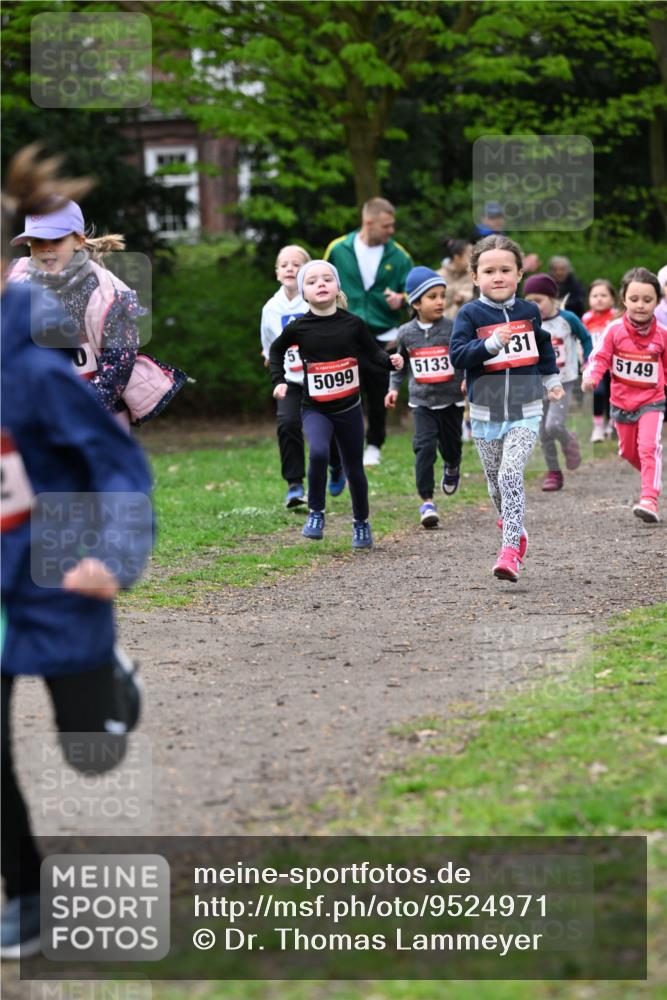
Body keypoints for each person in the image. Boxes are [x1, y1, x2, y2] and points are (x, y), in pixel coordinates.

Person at [1, 147, 154, 958]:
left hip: (55, 550)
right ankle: (26, 893)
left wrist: (115, 554)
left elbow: (119, 465)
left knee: (88, 750)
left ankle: (108, 680)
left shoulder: (32, 367)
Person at [8, 198, 188, 427]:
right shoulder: (16, 285)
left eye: (56, 239)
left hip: (98, 412)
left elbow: (119, 362)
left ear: (78, 241)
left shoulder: (105, 293)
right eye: (37, 241)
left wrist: (83, 407)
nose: (46, 248)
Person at [450, 235, 563, 582]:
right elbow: (458, 355)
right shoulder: (470, 314)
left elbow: (542, 346)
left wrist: (551, 380)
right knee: (495, 486)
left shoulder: (529, 311)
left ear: (518, 274)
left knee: (510, 474)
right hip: (485, 413)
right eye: (489, 271)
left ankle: (510, 550)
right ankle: (516, 528)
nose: (497, 277)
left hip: (525, 407)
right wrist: (490, 345)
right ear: (474, 277)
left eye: (505, 270)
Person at [269, 260, 403, 549]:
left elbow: (373, 353)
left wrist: (390, 361)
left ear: (337, 287)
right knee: (317, 453)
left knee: (355, 468)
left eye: (327, 279)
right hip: (315, 408)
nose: (321, 284)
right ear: (303, 291)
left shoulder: (353, 323)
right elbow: (276, 349)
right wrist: (279, 380)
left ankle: (361, 523)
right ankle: (316, 513)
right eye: (312, 280)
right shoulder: (298, 327)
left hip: (349, 409)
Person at [324, 198, 412, 466]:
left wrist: (401, 298)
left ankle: (374, 444)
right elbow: (319, 280)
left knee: (377, 392)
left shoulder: (399, 256)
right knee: (343, 391)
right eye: (386, 226)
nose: (391, 231)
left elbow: (414, 292)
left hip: (383, 335)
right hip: (344, 331)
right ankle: (344, 444)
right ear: (368, 222)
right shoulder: (339, 249)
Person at [260, 245, 345, 508]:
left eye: (296, 264)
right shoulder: (271, 308)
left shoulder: (318, 300)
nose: (289, 268)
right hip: (291, 380)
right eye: (283, 264)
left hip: (321, 377)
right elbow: (269, 342)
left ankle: (336, 463)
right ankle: (295, 485)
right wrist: (270, 358)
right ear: (276, 273)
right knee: (287, 424)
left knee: (326, 429)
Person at [582, 266, 667, 523]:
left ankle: (649, 497)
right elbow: (600, 356)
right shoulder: (614, 330)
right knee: (629, 452)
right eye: (634, 299)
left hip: (652, 401)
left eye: (647, 300)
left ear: (657, 301)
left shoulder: (663, 335)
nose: (640, 305)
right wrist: (592, 376)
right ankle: (652, 476)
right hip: (621, 402)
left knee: (648, 447)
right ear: (624, 299)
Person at [385, 267, 465, 529]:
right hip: (421, 402)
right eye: (433, 297)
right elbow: (399, 363)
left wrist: (467, 379)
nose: (440, 301)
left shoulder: (453, 328)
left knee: (451, 447)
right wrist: (394, 388)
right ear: (416, 303)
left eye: (442, 295)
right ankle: (427, 501)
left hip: (451, 400)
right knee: (424, 448)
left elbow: (463, 356)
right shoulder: (406, 333)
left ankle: (452, 466)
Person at [523, 273, 592, 491]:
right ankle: (553, 472)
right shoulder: (526, 323)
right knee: (543, 432)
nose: (534, 305)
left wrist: (589, 361)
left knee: (553, 425)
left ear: (552, 298)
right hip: (537, 383)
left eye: (539, 300)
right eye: (530, 300)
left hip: (564, 380)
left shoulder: (568, 319)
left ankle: (568, 440)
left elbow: (586, 337)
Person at [582, 279, 619, 442]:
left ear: (612, 298)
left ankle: (611, 424)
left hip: (614, 364)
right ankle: (597, 427)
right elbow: (581, 342)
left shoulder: (617, 316)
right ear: (589, 299)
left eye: (604, 295)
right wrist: (583, 362)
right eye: (595, 295)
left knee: (613, 394)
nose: (599, 299)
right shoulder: (586, 318)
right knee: (598, 392)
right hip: (595, 364)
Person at [436, 239, 474, 320]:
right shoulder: (437, 277)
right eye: (469, 256)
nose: (473, 260)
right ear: (457, 258)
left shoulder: (474, 276)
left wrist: (464, 297)